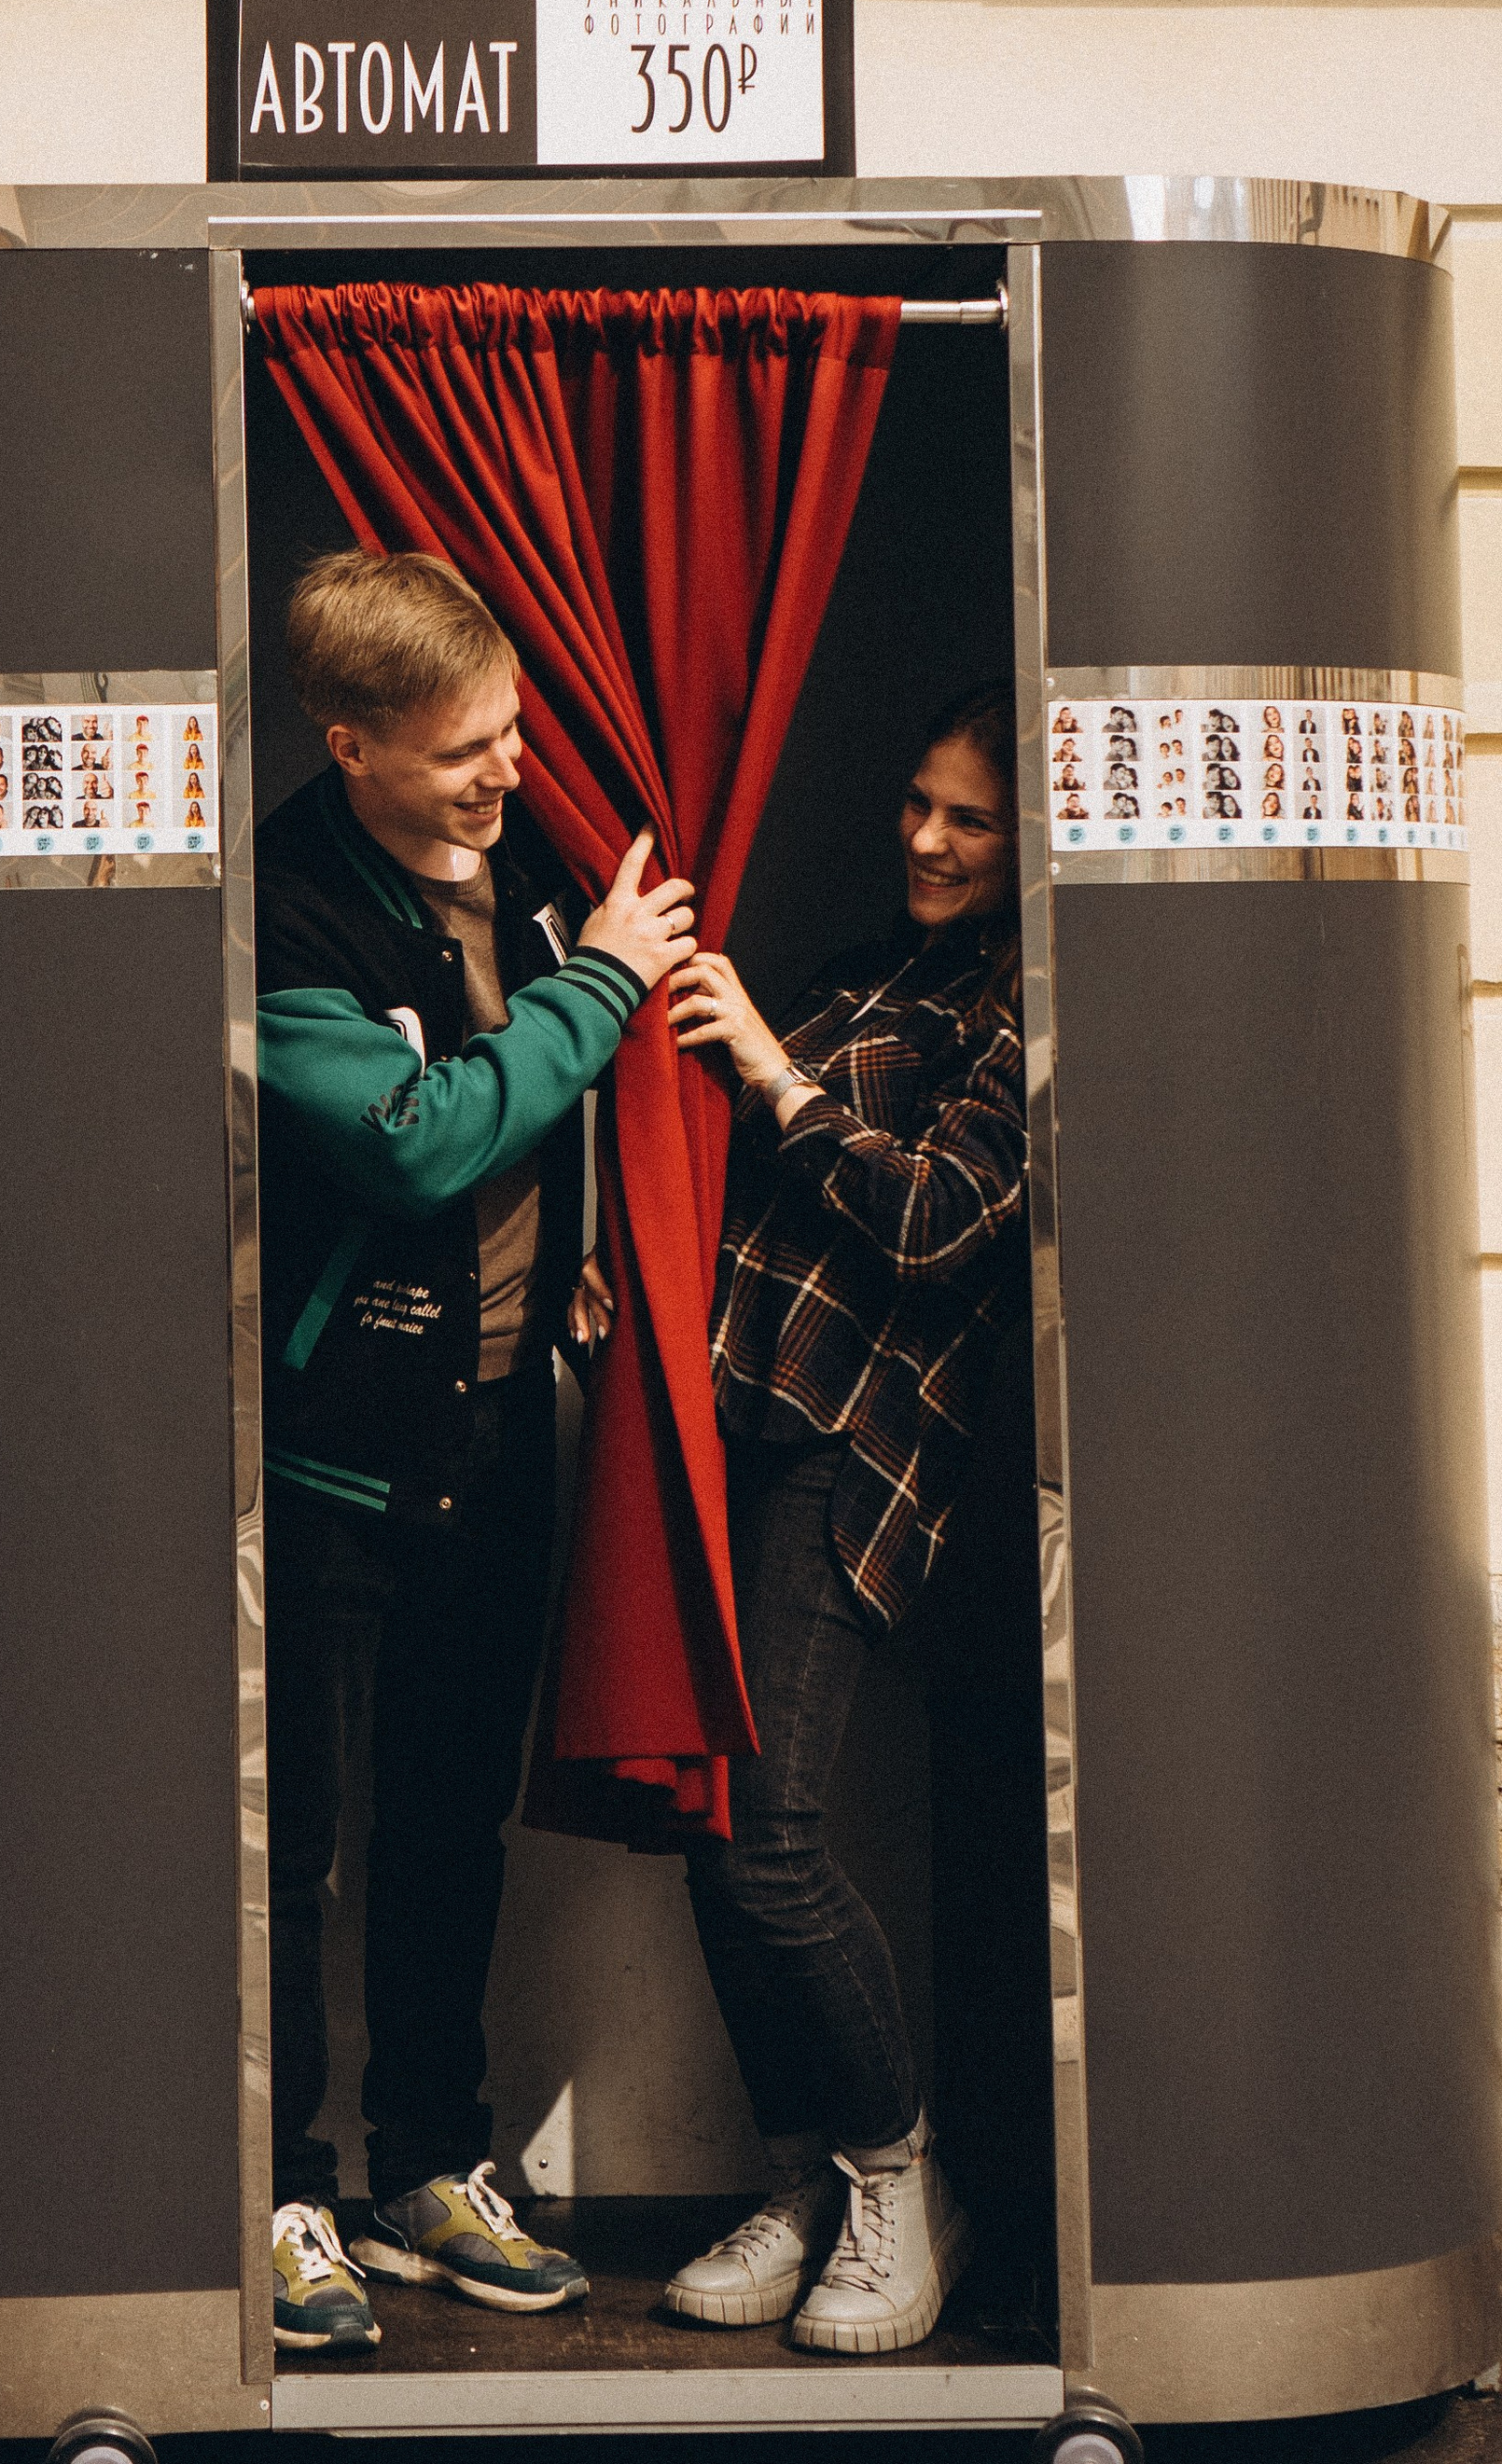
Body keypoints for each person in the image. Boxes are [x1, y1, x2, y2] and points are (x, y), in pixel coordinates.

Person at [255, 547, 696, 2357]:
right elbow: (419, 1139)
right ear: (350, 746)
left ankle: (431, 2169)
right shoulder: (280, 911)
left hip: (502, 1430)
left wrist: (586, 1236)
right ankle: (277, 2192)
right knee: (290, 1848)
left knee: (448, 1831)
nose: (507, 772)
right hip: (330, 1457)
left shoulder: (527, 874)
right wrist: (602, 986)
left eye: (511, 733)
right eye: (461, 753)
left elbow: (534, 1128)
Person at [641, 680, 1028, 2356]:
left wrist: (777, 1078)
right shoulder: (878, 970)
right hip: (734, 1419)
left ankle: (898, 2177)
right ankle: (807, 2175)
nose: (926, 839)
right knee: (712, 1822)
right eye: (919, 802)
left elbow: (940, 1223)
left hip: (854, 1449)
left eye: (970, 819)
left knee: (772, 1843)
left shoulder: (1025, 1006)